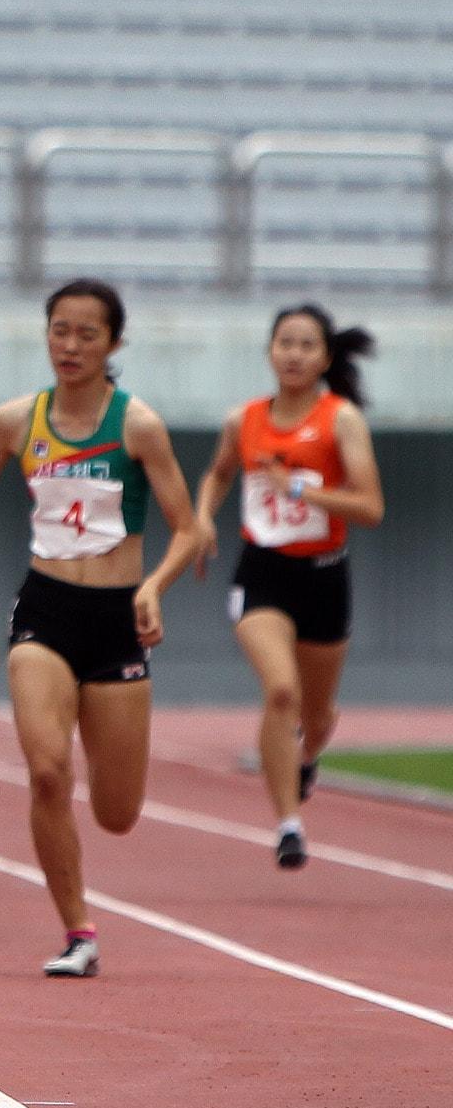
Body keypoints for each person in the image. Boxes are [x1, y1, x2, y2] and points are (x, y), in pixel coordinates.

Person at [0, 279, 199, 978]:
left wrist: (153, 584)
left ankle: (84, 901)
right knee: (49, 772)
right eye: (60, 330)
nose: (71, 346)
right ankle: (77, 929)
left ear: (113, 344)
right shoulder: (17, 421)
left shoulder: (137, 425)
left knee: (117, 813)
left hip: (117, 622)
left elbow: (190, 528)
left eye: (87, 333)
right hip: (45, 610)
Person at [194, 304, 383, 870]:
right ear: (270, 351)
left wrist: (301, 490)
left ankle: (306, 758)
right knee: (281, 692)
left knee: (318, 718)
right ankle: (288, 825)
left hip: (324, 575)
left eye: (307, 345)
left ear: (325, 357)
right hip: (263, 572)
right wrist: (203, 516)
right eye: (285, 343)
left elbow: (370, 506)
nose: (295, 354)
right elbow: (220, 472)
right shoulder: (244, 419)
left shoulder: (340, 420)